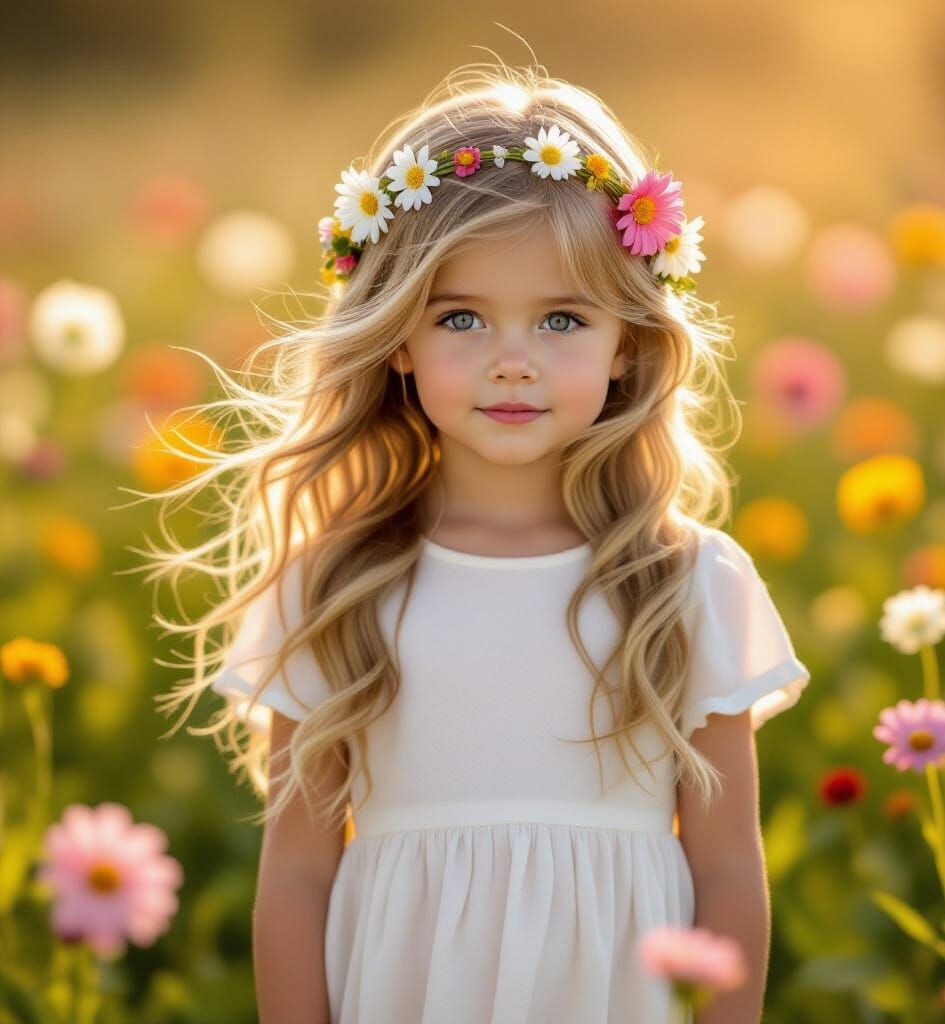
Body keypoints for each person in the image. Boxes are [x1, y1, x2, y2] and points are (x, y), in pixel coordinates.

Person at [150, 62, 811, 1024]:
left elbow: (728, 870)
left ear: (627, 342)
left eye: (562, 319)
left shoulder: (685, 581)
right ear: (396, 338)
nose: (512, 361)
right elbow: (295, 877)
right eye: (461, 317)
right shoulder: (337, 582)